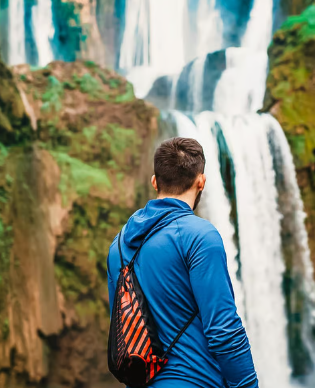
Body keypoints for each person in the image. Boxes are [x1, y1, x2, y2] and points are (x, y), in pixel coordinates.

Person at [106, 137, 259, 388]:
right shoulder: (200, 237)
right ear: (202, 181)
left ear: (155, 182)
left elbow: (123, 331)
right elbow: (223, 331)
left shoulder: (118, 247)